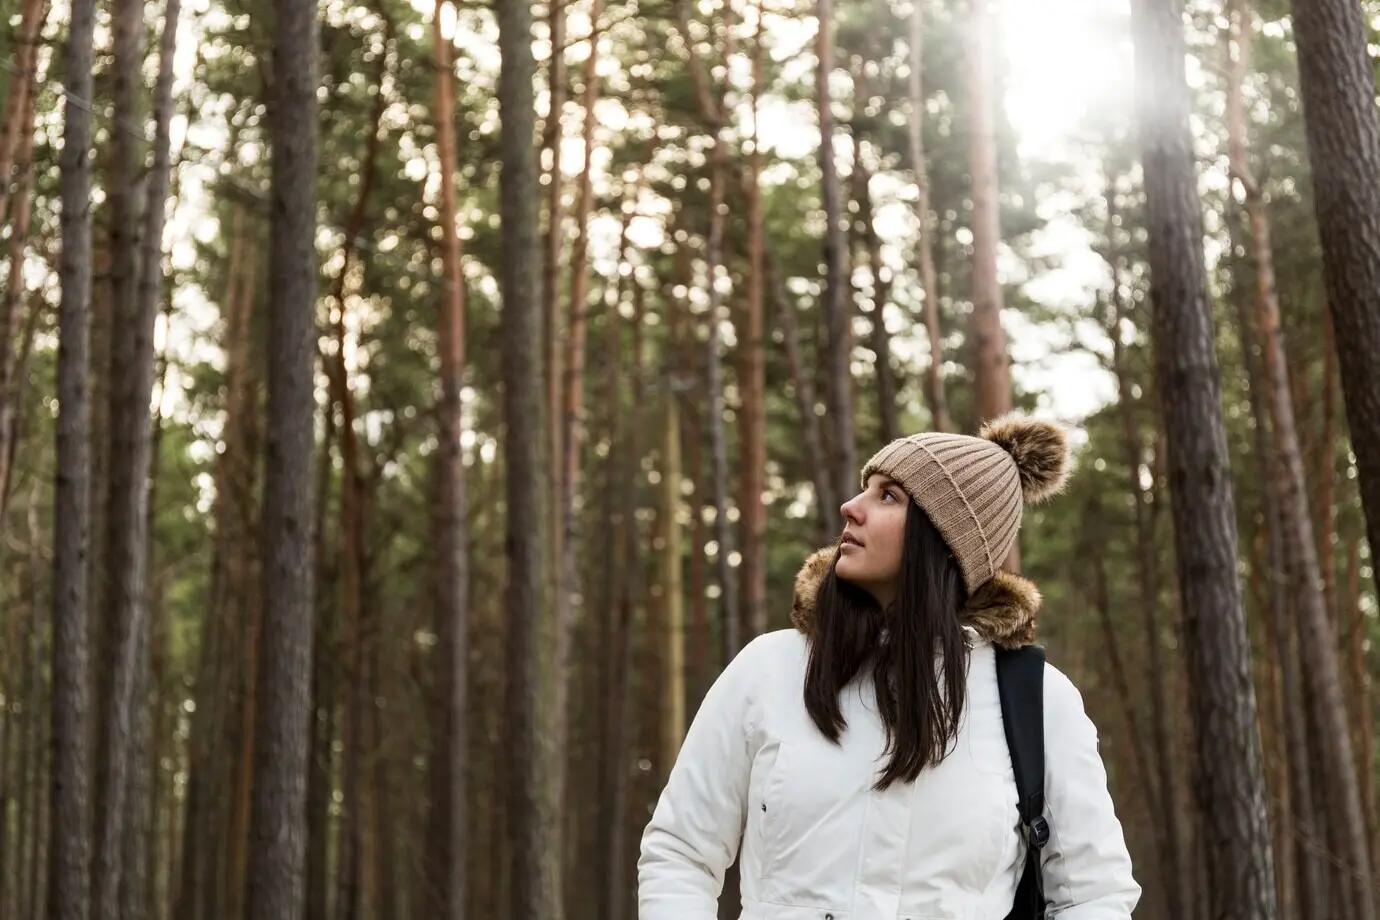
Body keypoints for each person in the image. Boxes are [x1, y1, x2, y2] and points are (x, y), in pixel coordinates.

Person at [637, 415, 1141, 920]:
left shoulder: (1035, 699)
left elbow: (1093, 893)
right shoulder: (770, 669)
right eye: (865, 489)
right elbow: (681, 853)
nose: (850, 508)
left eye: (888, 496)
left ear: (945, 539)